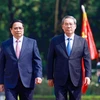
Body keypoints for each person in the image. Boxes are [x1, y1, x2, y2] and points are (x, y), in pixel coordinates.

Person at [47, 15, 91, 100]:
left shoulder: (82, 41)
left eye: (71, 24)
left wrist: (87, 76)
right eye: (66, 24)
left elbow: (87, 59)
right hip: (59, 78)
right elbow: (50, 60)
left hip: (76, 78)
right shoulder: (55, 41)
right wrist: (50, 77)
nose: (68, 26)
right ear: (62, 26)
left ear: (75, 26)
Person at [0, 19, 42, 100]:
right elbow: (1, 64)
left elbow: (37, 61)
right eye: (15, 28)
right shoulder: (5, 45)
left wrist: (38, 75)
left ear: (23, 29)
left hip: (27, 81)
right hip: (10, 82)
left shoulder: (32, 43)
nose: (18, 30)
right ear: (11, 30)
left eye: (20, 28)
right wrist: (1, 82)